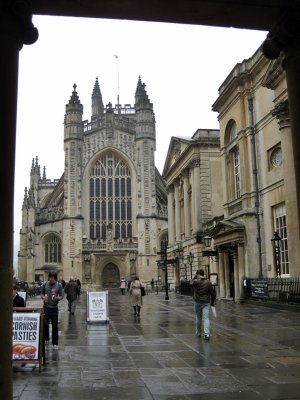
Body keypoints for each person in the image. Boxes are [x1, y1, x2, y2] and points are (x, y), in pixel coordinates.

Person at [190, 269, 215, 340]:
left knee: (198, 318)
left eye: (196, 274)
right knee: (206, 318)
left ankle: (198, 332)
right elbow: (212, 293)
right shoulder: (208, 282)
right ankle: (207, 334)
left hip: (198, 302)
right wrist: (212, 302)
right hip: (206, 302)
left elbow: (190, 283)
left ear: (198, 274)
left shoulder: (195, 282)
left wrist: (194, 277)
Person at [41, 272, 64, 349]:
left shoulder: (59, 285)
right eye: (49, 277)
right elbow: (41, 294)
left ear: (55, 278)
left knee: (55, 326)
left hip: (54, 308)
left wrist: (58, 298)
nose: (50, 279)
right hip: (46, 308)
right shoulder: (44, 284)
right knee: (45, 324)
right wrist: (43, 297)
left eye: (52, 278)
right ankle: (46, 338)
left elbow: (62, 295)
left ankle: (55, 342)